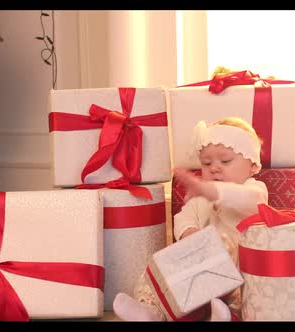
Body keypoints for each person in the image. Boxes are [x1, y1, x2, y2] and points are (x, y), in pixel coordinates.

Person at [112, 117, 268, 322]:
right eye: (206, 163)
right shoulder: (199, 199)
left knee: (236, 299)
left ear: (253, 165)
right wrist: (190, 234)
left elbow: (249, 201)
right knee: (159, 273)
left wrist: (209, 189)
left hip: (238, 274)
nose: (214, 168)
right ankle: (150, 311)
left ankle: (224, 315)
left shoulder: (254, 190)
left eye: (226, 161)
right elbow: (183, 217)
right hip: (200, 274)